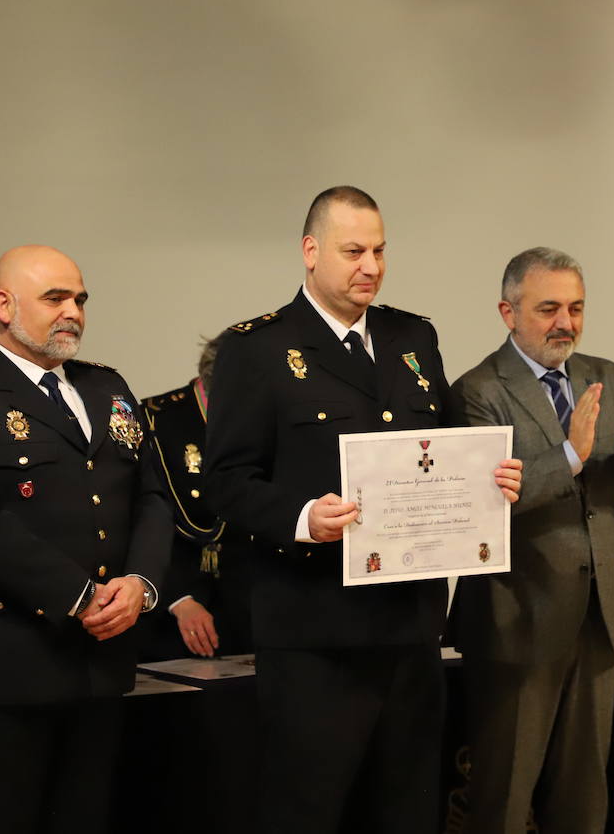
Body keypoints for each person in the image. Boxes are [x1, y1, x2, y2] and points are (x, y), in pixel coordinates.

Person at [203, 185, 523, 834]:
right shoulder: (258, 349)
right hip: (315, 635)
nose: (371, 267)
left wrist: (490, 479)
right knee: (309, 812)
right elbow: (227, 483)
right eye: (353, 251)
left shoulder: (413, 336)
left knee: (408, 811)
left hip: (409, 629)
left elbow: (442, 450)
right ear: (310, 251)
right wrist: (302, 519)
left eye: (379, 251)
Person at [0, 245, 172, 834]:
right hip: (2, 670)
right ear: (4, 305)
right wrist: (81, 596)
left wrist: (142, 584)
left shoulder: (107, 386)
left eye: (79, 298)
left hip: (97, 668)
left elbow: (154, 496)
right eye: (55, 298)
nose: (73, 311)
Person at [447, 247, 614, 834]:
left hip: (601, 620)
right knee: (502, 797)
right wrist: (570, 453)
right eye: (548, 309)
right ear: (508, 312)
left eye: (575, 308)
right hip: (516, 619)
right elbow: (485, 500)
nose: (565, 323)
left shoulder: (609, 377)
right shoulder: (477, 391)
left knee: (584, 798)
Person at [138, 333, 253, 660]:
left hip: (249, 603)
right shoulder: (153, 418)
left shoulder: (259, 418)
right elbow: (140, 517)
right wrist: (179, 599)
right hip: (172, 607)